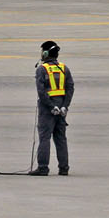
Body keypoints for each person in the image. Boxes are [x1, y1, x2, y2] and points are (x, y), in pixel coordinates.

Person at [31, 40, 74, 176]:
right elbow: (70, 88)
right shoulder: (64, 69)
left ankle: (43, 167)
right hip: (61, 108)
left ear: (45, 53)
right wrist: (64, 106)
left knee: (44, 138)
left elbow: (41, 91)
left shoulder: (42, 69)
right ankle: (64, 168)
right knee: (61, 138)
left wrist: (51, 107)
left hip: (47, 109)